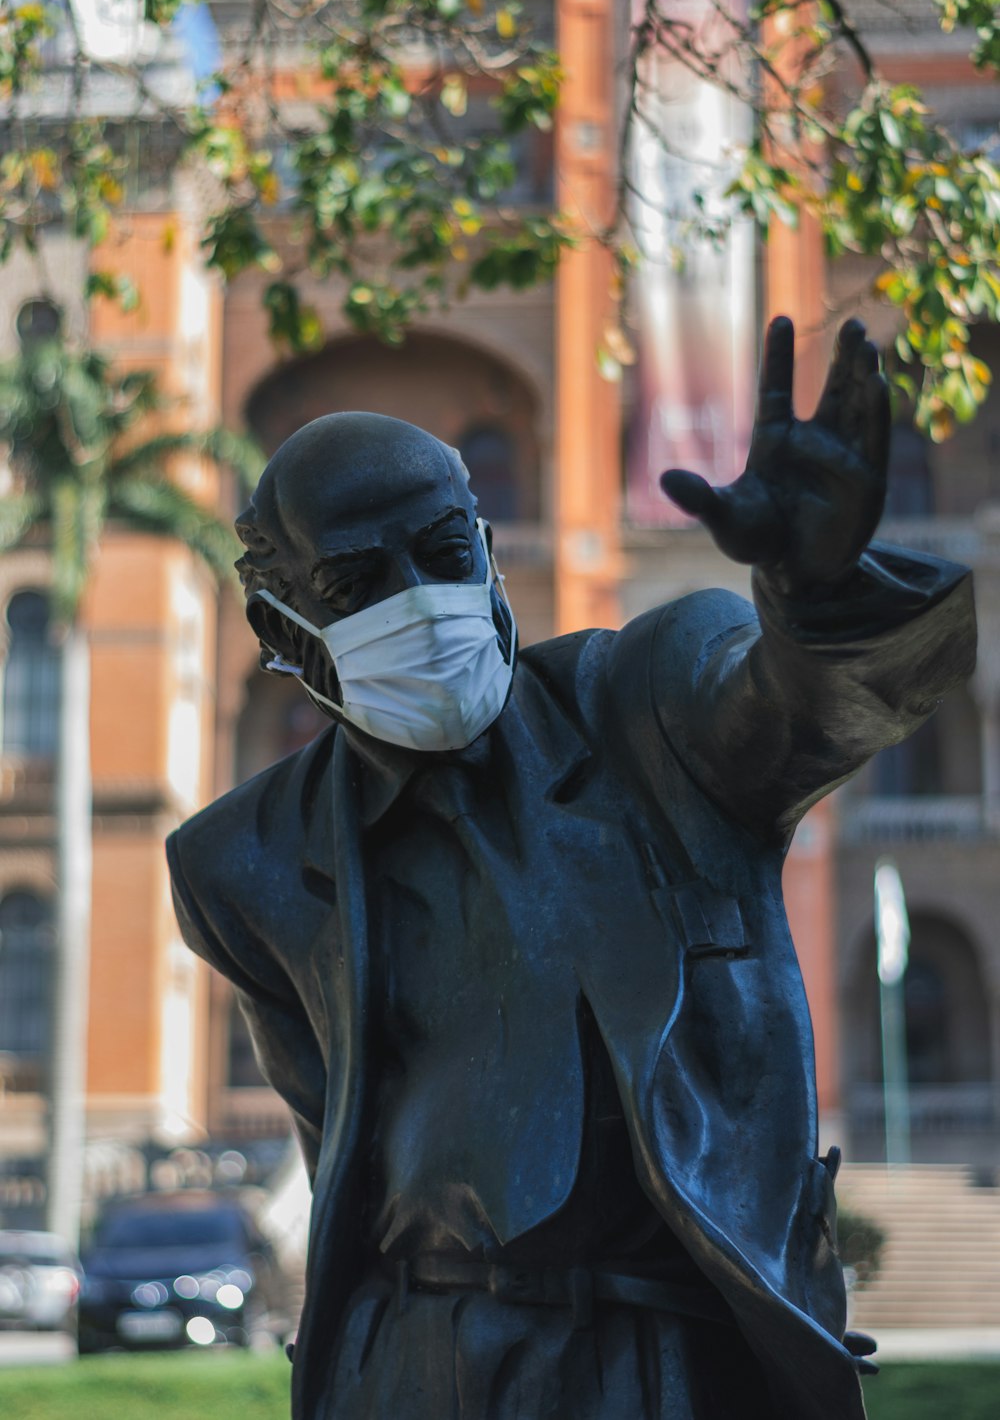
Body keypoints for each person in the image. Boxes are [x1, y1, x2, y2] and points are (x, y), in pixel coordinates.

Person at [167, 318, 975, 1419]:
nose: (422, 600)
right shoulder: (243, 867)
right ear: (288, 629)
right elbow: (336, 1144)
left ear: (488, 549)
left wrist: (817, 600)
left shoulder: (650, 700)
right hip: (407, 1359)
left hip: (658, 1358)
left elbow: (803, 712)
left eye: (445, 553)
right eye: (360, 582)